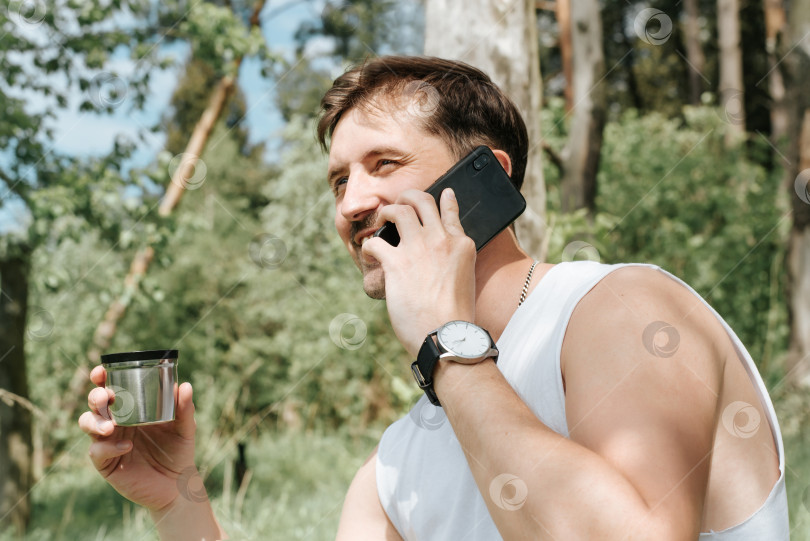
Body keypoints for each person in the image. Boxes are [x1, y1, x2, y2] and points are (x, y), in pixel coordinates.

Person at [79, 56, 789, 540]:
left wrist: (447, 343)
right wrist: (180, 501)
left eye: (384, 163)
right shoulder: (392, 468)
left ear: (487, 176)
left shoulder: (625, 308)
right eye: (337, 181)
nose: (353, 203)